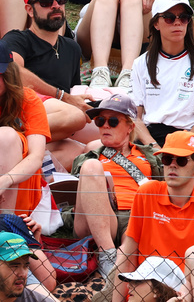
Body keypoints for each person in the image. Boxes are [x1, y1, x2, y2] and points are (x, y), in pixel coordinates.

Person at [111, 130, 194, 302]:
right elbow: (128, 255)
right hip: (155, 291)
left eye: (182, 161)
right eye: (167, 159)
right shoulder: (147, 192)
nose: (172, 166)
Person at [65, 93, 163, 282]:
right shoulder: (88, 158)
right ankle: (107, 255)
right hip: (95, 219)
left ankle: (121, 267)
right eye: (100, 121)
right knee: (92, 167)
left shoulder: (152, 156)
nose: (105, 126)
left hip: (135, 217)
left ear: (130, 127)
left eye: (113, 121)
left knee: (132, 240)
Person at [3, 0, 91, 147]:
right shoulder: (17, 39)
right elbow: (14, 72)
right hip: (23, 107)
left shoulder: (72, 48)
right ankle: (11, 135)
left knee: (84, 149)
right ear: (29, 10)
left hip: (54, 119)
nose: (56, 5)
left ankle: (22, 149)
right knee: (75, 117)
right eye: (46, 2)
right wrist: (61, 96)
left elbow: (72, 92)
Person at [129, 0, 194, 148]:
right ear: (156, 23)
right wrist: (154, 147)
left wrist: (181, 145)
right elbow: (136, 118)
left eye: (183, 18)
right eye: (169, 18)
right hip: (150, 138)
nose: (177, 23)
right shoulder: (140, 63)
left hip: (188, 137)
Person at [0, 38, 50, 218]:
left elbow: (37, 157)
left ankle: (6, 226)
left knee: (6, 136)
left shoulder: (27, 99)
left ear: (8, 74)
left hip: (20, 191)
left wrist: (6, 179)